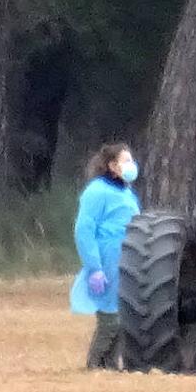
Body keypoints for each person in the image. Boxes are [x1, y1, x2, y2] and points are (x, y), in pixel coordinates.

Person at [71, 142, 141, 370]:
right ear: (112, 166)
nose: (131, 166)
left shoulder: (126, 192)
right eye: (125, 161)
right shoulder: (97, 191)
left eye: (131, 161)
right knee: (110, 319)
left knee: (123, 317)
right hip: (107, 259)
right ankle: (94, 364)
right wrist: (94, 267)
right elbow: (84, 230)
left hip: (128, 259)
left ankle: (110, 366)